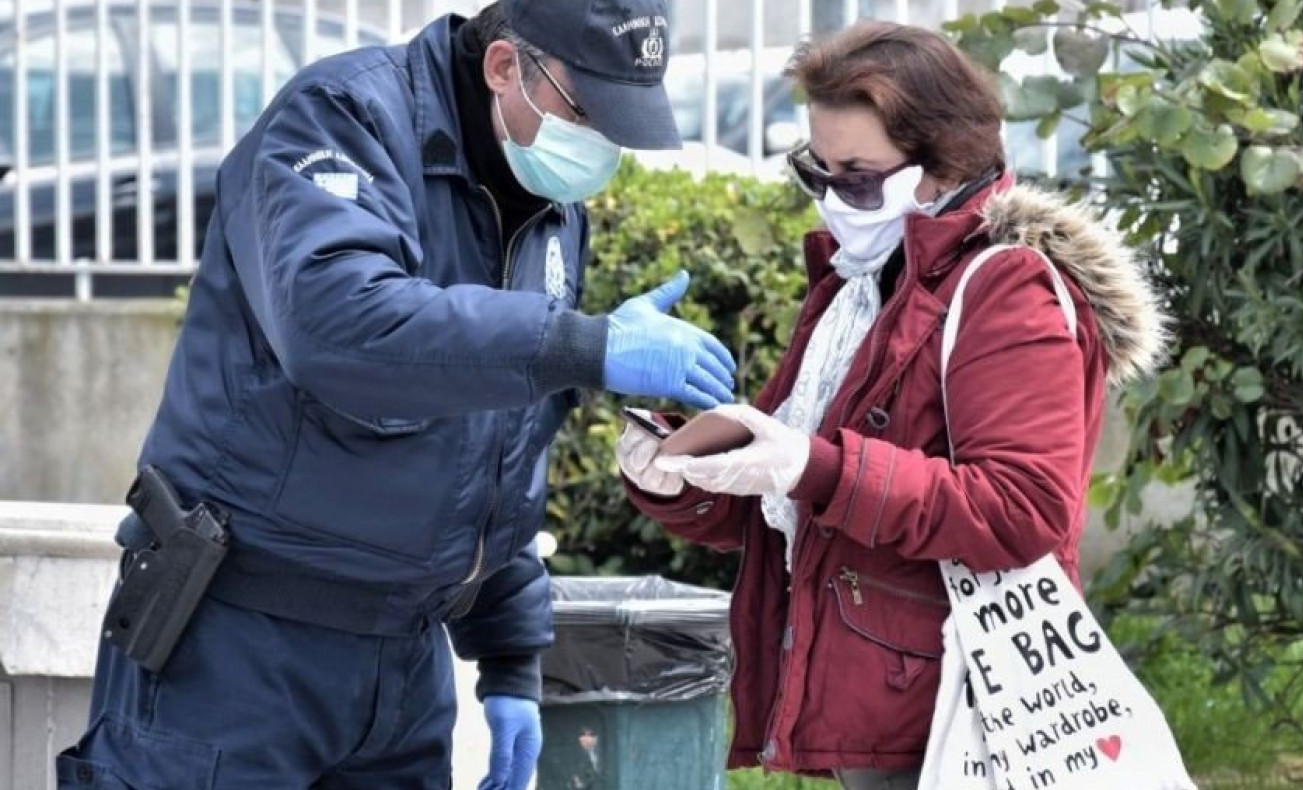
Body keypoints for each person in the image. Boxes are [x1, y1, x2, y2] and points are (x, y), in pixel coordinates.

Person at [58, 1, 735, 789]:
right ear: (505, 66)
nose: (601, 146)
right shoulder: (342, 119)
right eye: (587, 111)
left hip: (402, 666)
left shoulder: (548, 203)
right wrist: (579, 343)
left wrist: (513, 655)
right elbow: (339, 325)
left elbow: (504, 448)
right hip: (237, 646)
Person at [616, 21, 1167, 790]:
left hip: (959, 705)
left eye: (860, 176)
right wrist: (670, 470)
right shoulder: (859, 282)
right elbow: (777, 500)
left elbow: (1024, 508)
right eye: (819, 171)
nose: (836, 198)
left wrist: (818, 468)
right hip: (881, 696)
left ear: (942, 166)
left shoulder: (1009, 289)